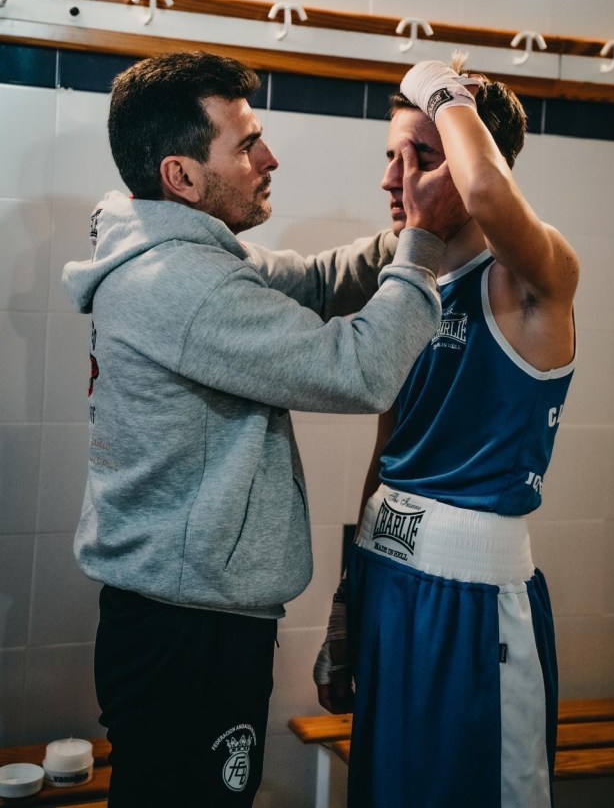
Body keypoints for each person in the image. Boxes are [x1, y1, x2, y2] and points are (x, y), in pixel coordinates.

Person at [61, 51, 465, 808]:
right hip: (190, 635)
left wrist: (409, 228)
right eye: (246, 145)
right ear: (182, 176)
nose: (269, 158)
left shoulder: (177, 250)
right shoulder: (182, 285)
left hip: (177, 617)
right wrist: (425, 245)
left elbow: (313, 282)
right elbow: (360, 371)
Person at [315, 57, 579, 808]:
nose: (392, 179)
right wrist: (347, 597)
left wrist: (435, 79)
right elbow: (388, 446)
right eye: (390, 156)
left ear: (471, 160)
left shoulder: (534, 277)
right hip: (385, 580)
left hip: (472, 603)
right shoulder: (407, 287)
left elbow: (490, 192)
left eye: (421, 157)